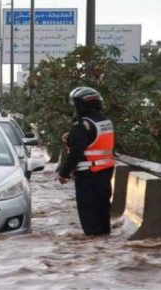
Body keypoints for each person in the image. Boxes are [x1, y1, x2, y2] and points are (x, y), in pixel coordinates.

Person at [57, 87, 115, 236]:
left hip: (88, 176)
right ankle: (103, 247)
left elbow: (76, 153)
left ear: (80, 106)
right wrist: (72, 136)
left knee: (90, 219)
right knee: (103, 213)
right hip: (105, 173)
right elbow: (94, 140)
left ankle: (94, 249)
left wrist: (64, 173)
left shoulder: (83, 126)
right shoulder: (105, 122)